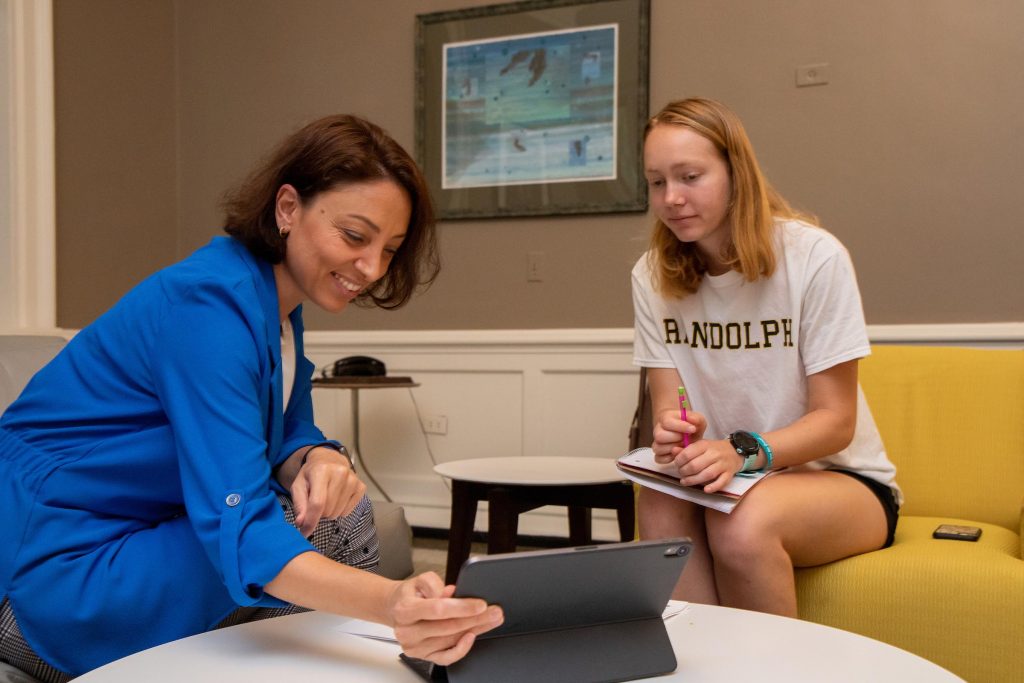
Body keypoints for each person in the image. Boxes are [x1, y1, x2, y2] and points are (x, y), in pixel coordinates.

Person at [0, 114, 503, 680]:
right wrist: (392, 602)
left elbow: (285, 429)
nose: (371, 268)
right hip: (52, 575)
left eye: (390, 248)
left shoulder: (275, 306)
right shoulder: (209, 308)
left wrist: (318, 457)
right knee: (330, 529)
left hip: (130, 534)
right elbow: (239, 516)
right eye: (356, 236)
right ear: (287, 208)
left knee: (342, 509)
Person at [632, 98, 901, 617]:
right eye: (657, 182)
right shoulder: (651, 275)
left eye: (690, 176)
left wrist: (741, 451)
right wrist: (673, 432)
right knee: (660, 507)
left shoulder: (814, 258)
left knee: (743, 520)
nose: (672, 198)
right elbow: (670, 410)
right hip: (724, 477)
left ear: (737, 174)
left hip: (842, 482)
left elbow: (835, 423)